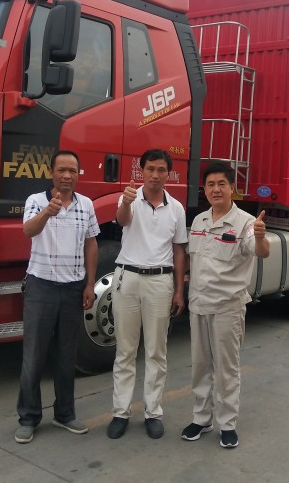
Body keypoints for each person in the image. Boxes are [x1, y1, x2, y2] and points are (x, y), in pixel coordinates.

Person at [181, 160, 269, 449]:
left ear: (232, 187)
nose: (216, 189)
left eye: (222, 184)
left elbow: (260, 251)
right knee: (200, 367)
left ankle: (227, 423)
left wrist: (261, 237)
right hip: (198, 305)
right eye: (210, 184)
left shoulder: (246, 223)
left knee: (226, 369)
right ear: (204, 189)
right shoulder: (199, 221)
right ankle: (201, 418)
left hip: (227, 308)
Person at [14, 150, 99, 444]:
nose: (67, 176)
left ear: (78, 175)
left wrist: (90, 284)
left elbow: (91, 243)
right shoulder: (36, 201)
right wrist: (47, 213)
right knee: (34, 356)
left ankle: (64, 414)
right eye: (62, 170)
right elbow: (28, 230)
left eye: (72, 171)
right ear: (51, 172)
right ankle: (28, 418)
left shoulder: (86, 204)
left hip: (73, 288)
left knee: (67, 355)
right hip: (41, 287)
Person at [107, 149, 187, 440]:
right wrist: (127, 202)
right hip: (127, 278)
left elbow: (179, 250)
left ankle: (153, 412)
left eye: (161, 170)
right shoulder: (129, 198)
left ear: (169, 173)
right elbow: (122, 220)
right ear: (142, 170)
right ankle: (121, 412)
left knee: (156, 350)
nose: (155, 175)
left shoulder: (176, 208)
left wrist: (179, 290)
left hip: (160, 281)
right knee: (125, 350)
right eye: (150, 169)